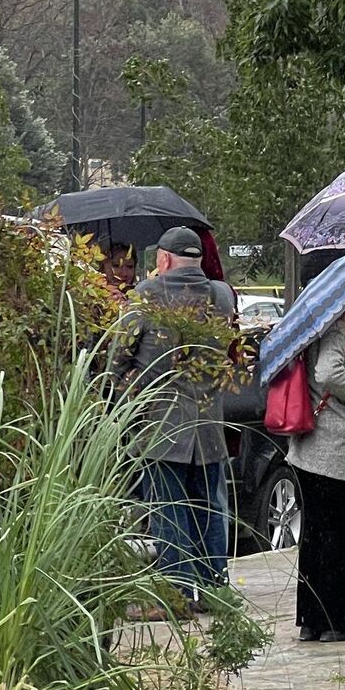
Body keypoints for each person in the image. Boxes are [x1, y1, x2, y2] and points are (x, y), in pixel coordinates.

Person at [110, 226, 238, 611]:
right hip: (209, 425)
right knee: (209, 509)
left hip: (163, 425)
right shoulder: (221, 295)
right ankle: (215, 590)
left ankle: (176, 596)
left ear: (163, 260)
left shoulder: (147, 296)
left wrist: (129, 385)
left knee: (168, 510)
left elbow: (118, 356)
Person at [287, 289, 345, 643]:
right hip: (333, 445)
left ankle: (311, 619)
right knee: (340, 536)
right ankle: (337, 621)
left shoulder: (319, 322)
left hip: (310, 446)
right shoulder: (341, 324)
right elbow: (328, 371)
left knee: (315, 535)